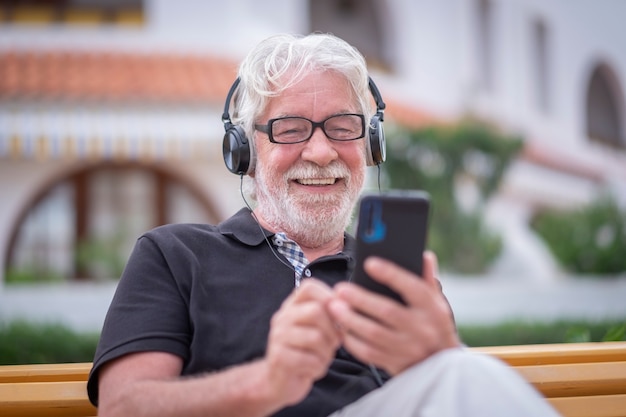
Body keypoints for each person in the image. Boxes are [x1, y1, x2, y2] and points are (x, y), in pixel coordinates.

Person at [87, 32, 561, 417]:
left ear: (369, 144)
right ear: (245, 154)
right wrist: (267, 383)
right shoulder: (173, 255)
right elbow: (124, 407)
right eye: (290, 129)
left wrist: (437, 354)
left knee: (462, 373)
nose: (320, 152)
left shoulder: (397, 274)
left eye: (342, 126)